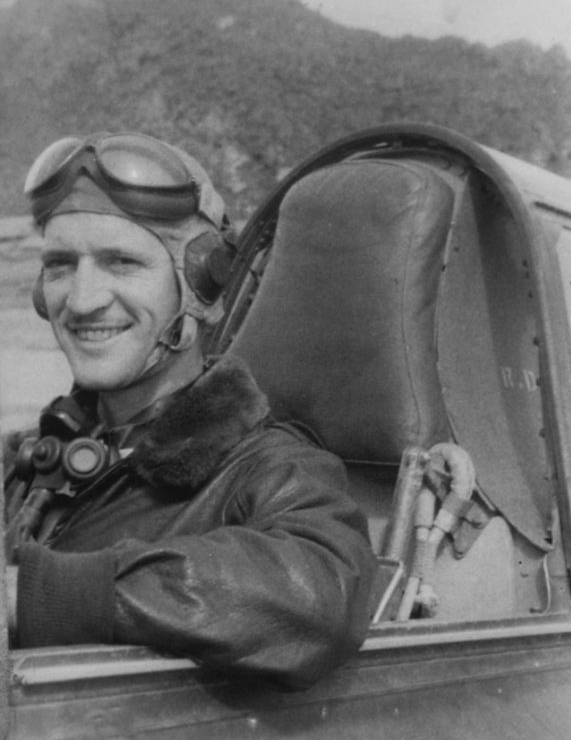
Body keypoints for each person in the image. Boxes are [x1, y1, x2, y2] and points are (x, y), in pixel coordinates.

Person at [3, 131, 375, 688]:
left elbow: (321, 591)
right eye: (60, 265)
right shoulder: (30, 462)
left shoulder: (272, 471)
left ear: (201, 285)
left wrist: (34, 597)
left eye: (121, 262)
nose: (81, 300)